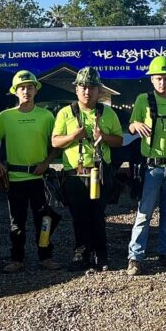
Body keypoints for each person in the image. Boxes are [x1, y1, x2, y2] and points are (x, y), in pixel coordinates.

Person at [51, 67, 123, 271]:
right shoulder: (66, 113)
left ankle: (101, 256)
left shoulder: (107, 113)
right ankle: (81, 255)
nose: (87, 92)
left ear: (99, 90)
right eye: (82, 87)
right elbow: (55, 142)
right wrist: (73, 137)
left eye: (91, 87)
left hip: (99, 173)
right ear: (76, 90)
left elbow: (118, 140)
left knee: (98, 215)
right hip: (75, 174)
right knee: (79, 217)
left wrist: (104, 137)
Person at [125, 56, 166, 276]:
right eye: (158, 78)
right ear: (152, 80)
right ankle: (135, 257)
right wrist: (136, 124)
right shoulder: (143, 100)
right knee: (144, 213)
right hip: (151, 168)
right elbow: (131, 127)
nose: (162, 82)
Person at [0, 70, 62, 273]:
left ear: (36, 91)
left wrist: (47, 163)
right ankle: (17, 259)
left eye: (30, 87)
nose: (26, 91)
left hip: (39, 177)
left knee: (44, 220)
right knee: (17, 221)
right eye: (22, 88)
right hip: (15, 178)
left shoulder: (46, 116)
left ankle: (46, 256)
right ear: (15, 91)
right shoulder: (5, 117)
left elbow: (55, 143)